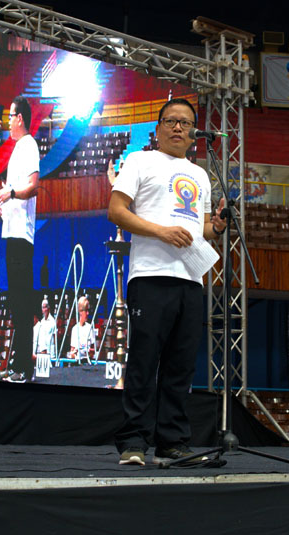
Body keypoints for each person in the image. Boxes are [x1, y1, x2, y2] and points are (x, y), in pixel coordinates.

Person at [108, 97, 227, 466]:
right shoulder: (140, 161)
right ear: (157, 128)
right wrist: (161, 231)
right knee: (144, 360)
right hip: (150, 275)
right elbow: (116, 211)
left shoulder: (200, 175)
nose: (178, 127)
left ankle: (172, 441)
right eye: (171, 121)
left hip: (191, 278)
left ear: (194, 133)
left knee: (180, 365)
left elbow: (200, 228)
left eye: (186, 123)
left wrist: (216, 227)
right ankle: (134, 441)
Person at [0, 95, 39, 383]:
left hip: (22, 235)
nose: (8, 122)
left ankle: (24, 367)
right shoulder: (17, 150)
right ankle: (17, 363)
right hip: (11, 231)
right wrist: (5, 204)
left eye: (10, 116)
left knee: (22, 301)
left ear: (20, 118)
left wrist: (10, 193)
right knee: (16, 301)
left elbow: (33, 186)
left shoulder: (29, 144)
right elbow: (15, 192)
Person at [68, 296, 96, 364]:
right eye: (86, 311)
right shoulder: (75, 329)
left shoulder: (90, 328)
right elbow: (72, 353)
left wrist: (89, 352)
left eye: (88, 311)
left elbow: (94, 350)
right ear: (81, 312)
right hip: (77, 363)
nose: (88, 313)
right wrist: (74, 353)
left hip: (87, 362)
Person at [33, 298, 57, 363]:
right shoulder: (42, 322)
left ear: (48, 308)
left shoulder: (53, 321)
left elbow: (55, 338)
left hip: (50, 353)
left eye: (45, 307)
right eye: (43, 308)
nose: (44, 310)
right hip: (42, 352)